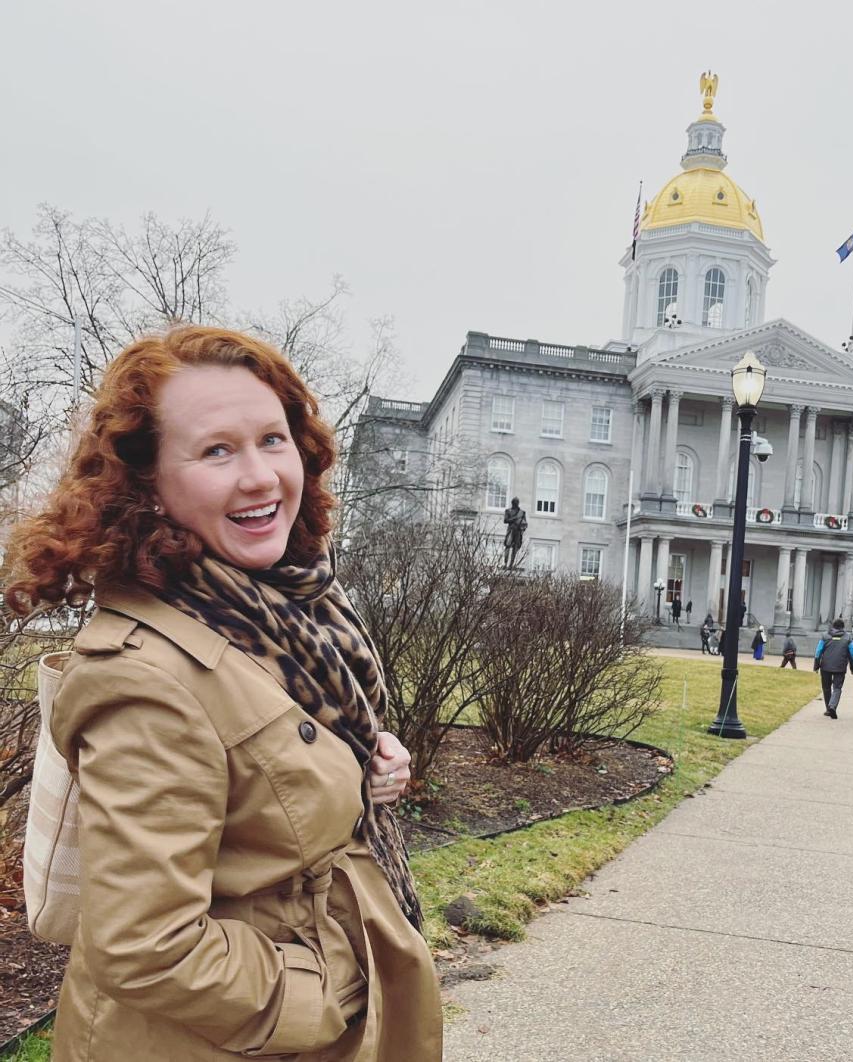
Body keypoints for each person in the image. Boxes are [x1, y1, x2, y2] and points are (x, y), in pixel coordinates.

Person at [4, 327, 442, 1060]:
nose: (262, 477)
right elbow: (145, 945)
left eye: (273, 439)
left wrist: (366, 767)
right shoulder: (147, 677)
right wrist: (330, 989)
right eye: (216, 451)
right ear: (145, 484)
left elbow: (274, 762)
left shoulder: (275, 607)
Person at [813, 618, 853, 719]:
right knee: (837, 688)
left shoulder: (825, 636)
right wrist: (852, 668)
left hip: (825, 666)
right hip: (840, 666)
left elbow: (818, 652)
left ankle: (829, 709)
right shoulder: (848, 638)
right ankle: (832, 706)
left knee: (826, 688)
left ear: (833, 626)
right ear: (843, 627)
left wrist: (816, 666)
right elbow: (852, 654)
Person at [503, 497, 527, 568]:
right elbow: (505, 520)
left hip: (518, 531)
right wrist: (515, 518)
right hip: (510, 530)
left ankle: (511, 564)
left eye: (517, 502)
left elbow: (525, 523)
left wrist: (523, 528)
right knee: (507, 545)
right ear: (512, 503)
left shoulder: (522, 512)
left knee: (515, 548)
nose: (515, 503)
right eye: (514, 502)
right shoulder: (508, 511)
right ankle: (505, 563)